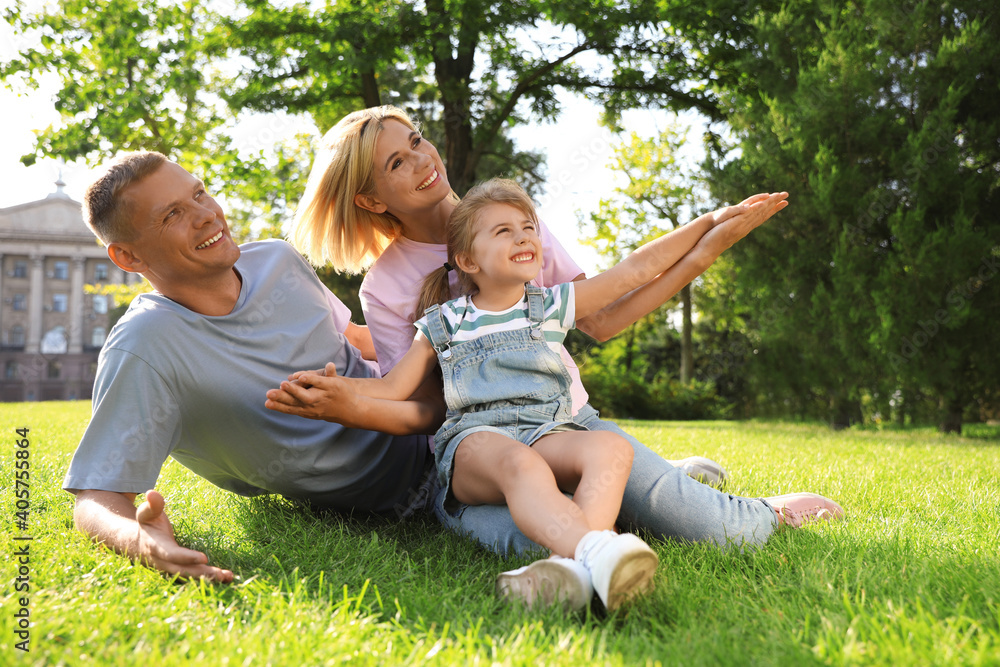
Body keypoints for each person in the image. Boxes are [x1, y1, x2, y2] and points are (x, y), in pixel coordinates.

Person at [266, 105, 846, 576]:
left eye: (416, 140)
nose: (422, 160)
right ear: (371, 199)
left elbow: (606, 310)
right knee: (538, 542)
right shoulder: (388, 286)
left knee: (713, 529)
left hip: (570, 425)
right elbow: (420, 406)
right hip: (484, 452)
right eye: (397, 161)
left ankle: (723, 503)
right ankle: (634, 501)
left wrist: (705, 244)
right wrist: (350, 404)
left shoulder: (508, 220)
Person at [63, 151, 448, 582]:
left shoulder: (277, 259)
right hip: (414, 492)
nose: (207, 215)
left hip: (445, 422)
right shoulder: (145, 346)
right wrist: (139, 540)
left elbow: (356, 337)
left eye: (199, 194)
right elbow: (96, 495)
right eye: (173, 214)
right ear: (128, 257)